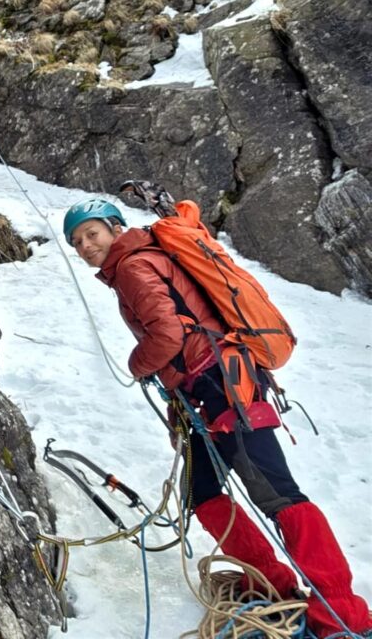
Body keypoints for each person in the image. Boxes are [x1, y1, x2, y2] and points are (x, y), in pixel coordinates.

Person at [63, 198, 372, 639]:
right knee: (203, 491)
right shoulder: (141, 259)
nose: (85, 246)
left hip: (221, 387)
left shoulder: (132, 266)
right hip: (212, 386)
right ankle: (270, 584)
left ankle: (341, 615)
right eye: (77, 242)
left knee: (278, 495)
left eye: (92, 234)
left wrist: (137, 365)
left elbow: (168, 334)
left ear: (115, 228)